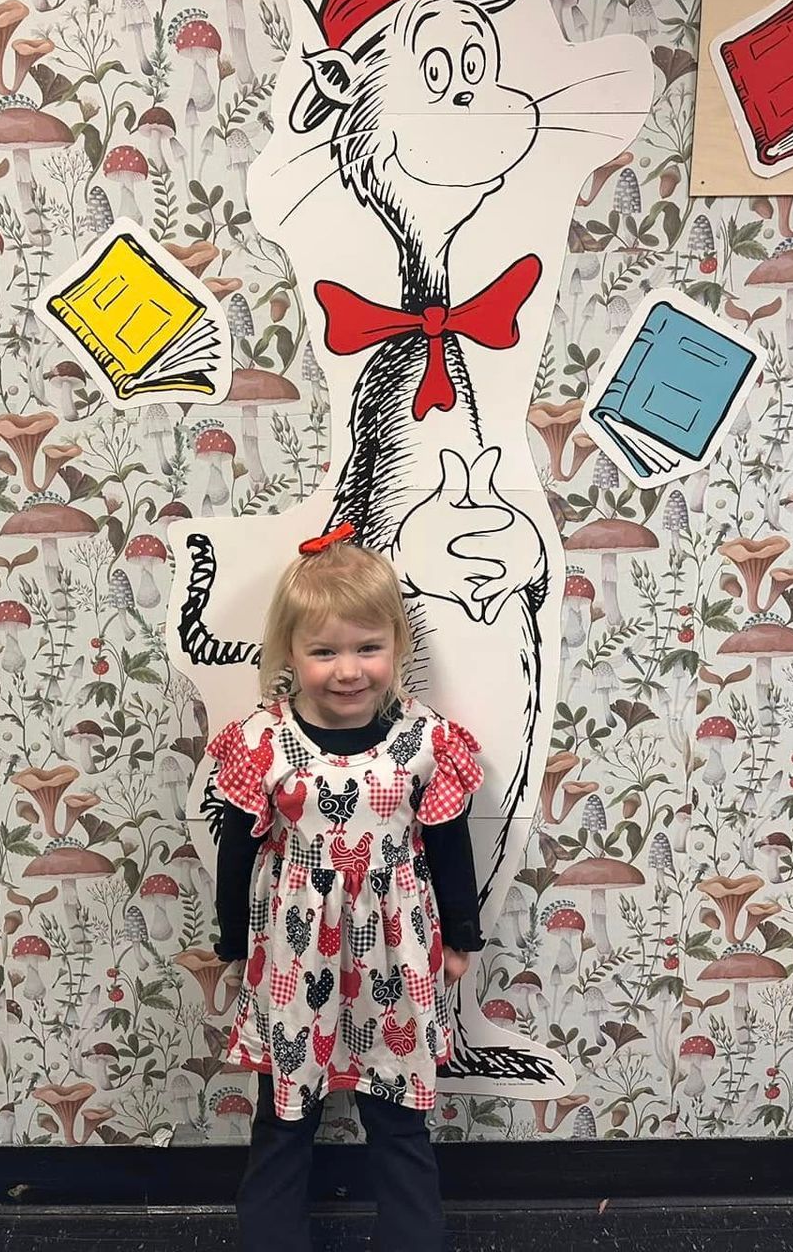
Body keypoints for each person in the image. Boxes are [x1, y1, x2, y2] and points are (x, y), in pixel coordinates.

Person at [209, 524, 486, 1252]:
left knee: (398, 1116)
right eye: (323, 651)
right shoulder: (264, 742)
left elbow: (450, 841)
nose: (348, 670)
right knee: (284, 1115)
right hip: (295, 955)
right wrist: (230, 940)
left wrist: (462, 934)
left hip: (396, 954)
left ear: (396, 646)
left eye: (367, 648)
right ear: (290, 655)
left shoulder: (425, 743)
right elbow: (236, 850)